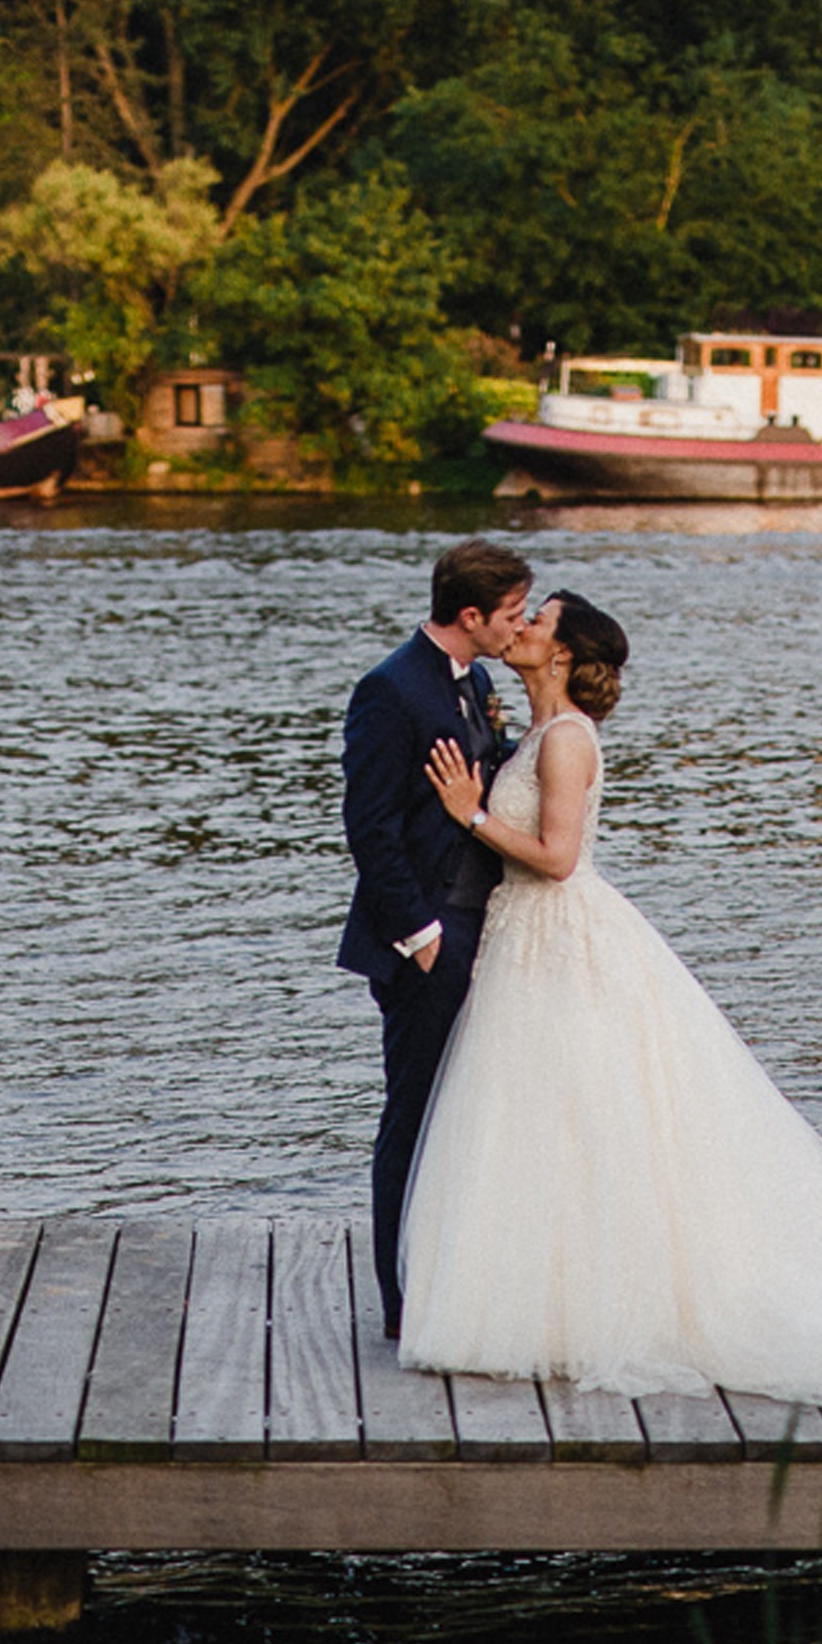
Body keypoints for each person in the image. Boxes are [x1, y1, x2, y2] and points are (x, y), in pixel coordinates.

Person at [396, 593, 822, 1404]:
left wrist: (471, 812)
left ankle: (583, 1305)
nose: (518, 627)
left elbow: (556, 859)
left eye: (538, 621)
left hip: (559, 932)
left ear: (561, 654)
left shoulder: (566, 742)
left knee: (582, 1115)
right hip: (527, 941)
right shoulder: (540, 732)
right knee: (544, 1119)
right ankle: (543, 1300)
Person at [339, 537, 533, 1338]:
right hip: (427, 935)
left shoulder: (477, 678)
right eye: (512, 615)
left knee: (465, 1113)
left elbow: (488, 774)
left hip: (479, 923)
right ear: (469, 615)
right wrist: (419, 935)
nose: (517, 629)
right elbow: (369, 826)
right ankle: (400, 1304)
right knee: (412, 1115)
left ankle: (453, 1277)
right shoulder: (388, 691)